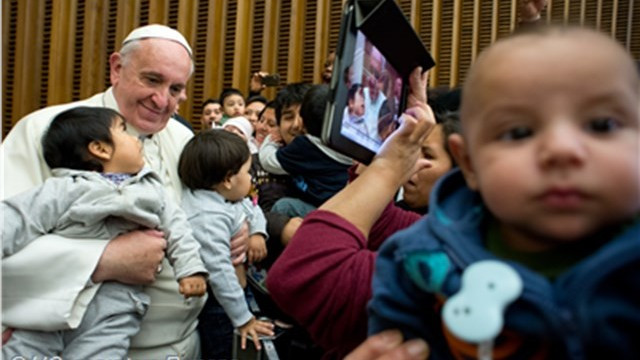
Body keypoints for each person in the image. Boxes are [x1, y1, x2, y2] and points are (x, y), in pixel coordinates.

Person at [369, 26, 640, 359]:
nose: (562, 149)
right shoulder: (420, 261)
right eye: (519, 132)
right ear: (468, 164)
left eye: (602, 125)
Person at [1, 24, 247, 358]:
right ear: (117, 68)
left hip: (188, 344)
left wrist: (239, 226)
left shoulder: (185, 139)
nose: (162, 100)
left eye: (176, 89)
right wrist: (102, 261)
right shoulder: (44, 130)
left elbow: (221, 197)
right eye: (152, 80)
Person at [1, 107, 208, 358]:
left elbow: (179, 229)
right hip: (52, 301)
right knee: (23, 350)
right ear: (100, 149)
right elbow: (17, 218)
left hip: (115, 307)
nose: (136, 138)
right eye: (123, 131)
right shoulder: (63, 189)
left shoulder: (151, 190)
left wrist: (190, 269)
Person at [266, 67, 434, 358]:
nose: (414, 156)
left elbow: (301, 274)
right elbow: (381, 225)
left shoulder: (464, 259)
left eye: (428, 153)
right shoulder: (445, 229)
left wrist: (386, 169)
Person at [179, 130, 275, 359]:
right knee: (222, 350)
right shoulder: (206, 217)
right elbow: (219, 271)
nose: (251, 178)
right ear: (229, 179)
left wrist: (257, 233)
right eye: (247, 172)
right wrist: (243, 319)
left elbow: (253, 209)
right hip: (219, 302)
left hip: (237, 291)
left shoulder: (228, 197)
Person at [259, 83, 353, 217]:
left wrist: (270, 141)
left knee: (283, 207)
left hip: (332, 214)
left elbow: (268, 160)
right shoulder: (342, 144)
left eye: (302, 116)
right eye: (289, 117)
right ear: (278, 125)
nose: (297, 125)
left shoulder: (306, 146)